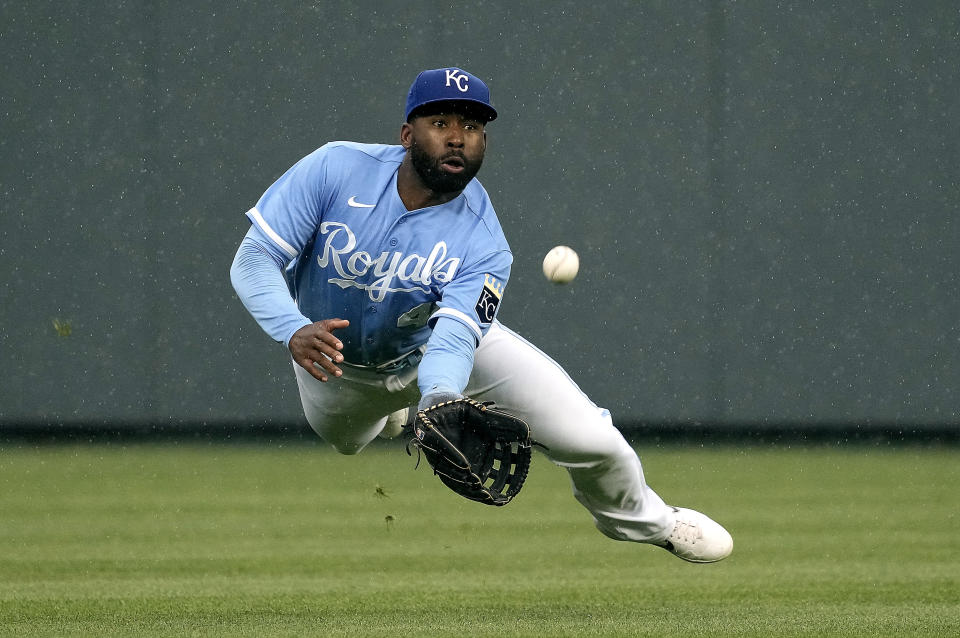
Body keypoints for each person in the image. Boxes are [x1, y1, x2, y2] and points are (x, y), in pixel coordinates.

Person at [230, 67, 733, 563]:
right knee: (345, 442)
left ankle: (657, 523)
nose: (457, 138)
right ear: (407, 134)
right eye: (441, 122)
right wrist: (291, 327)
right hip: (335, 363)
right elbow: (253, 260)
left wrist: (442, 396)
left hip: (436, 347)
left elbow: (454, 338)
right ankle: (391, 412)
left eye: (471, 127)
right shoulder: (335, 169)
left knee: (595, 440)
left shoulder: (486, 242)